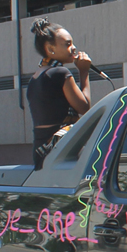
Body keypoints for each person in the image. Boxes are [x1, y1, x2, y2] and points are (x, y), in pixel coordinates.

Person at [27, 17, 91, 169]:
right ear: (50, 49)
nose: (74, 48)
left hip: (41, 151)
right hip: (60, 151)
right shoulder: (60, 73)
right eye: (68, 44)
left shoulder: (36, 76)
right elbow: (84, 107)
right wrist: (84, 72)